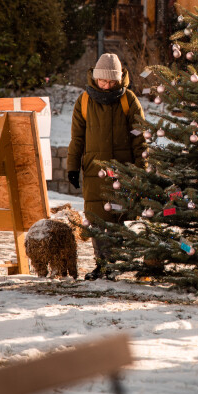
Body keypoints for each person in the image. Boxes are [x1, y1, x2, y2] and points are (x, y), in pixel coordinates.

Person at [67, 53, 146, 277]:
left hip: (122, 171)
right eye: (103, 81)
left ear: (120, 80)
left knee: (117, 219)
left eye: (112, 82)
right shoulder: (84, 101)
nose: (107, 85)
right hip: (93, 171)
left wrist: (142, 168)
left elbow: (139, 138)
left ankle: (116, 265)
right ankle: (102, 266)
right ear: (95, 77)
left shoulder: (128, 100)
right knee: (95, 220)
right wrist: (72, 167)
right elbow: (77, 139)